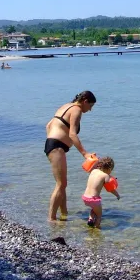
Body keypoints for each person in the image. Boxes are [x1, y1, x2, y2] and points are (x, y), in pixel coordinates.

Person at [45, 90, 97, 221]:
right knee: (61, 184)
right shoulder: (76, 110)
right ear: (85, 101)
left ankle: (64, 213)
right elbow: (72, 134)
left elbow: (49, 125)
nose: (90, 110)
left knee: (62, 184)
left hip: (53, 145)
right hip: (57, 147)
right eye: (90, 106)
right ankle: (51, 219)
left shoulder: (65, 106)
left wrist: (52, 139)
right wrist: (85, 154)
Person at [82, 156, 120, 229]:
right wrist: (117, 195)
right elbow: (110, 189)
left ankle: (90, 219)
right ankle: (96, 228)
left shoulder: (94, 171)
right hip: (94, 199)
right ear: (109, 169)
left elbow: (93, 166)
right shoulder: (105, 176)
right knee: (99, 215)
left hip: (85, 197)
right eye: (111, 170)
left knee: (94, 210)